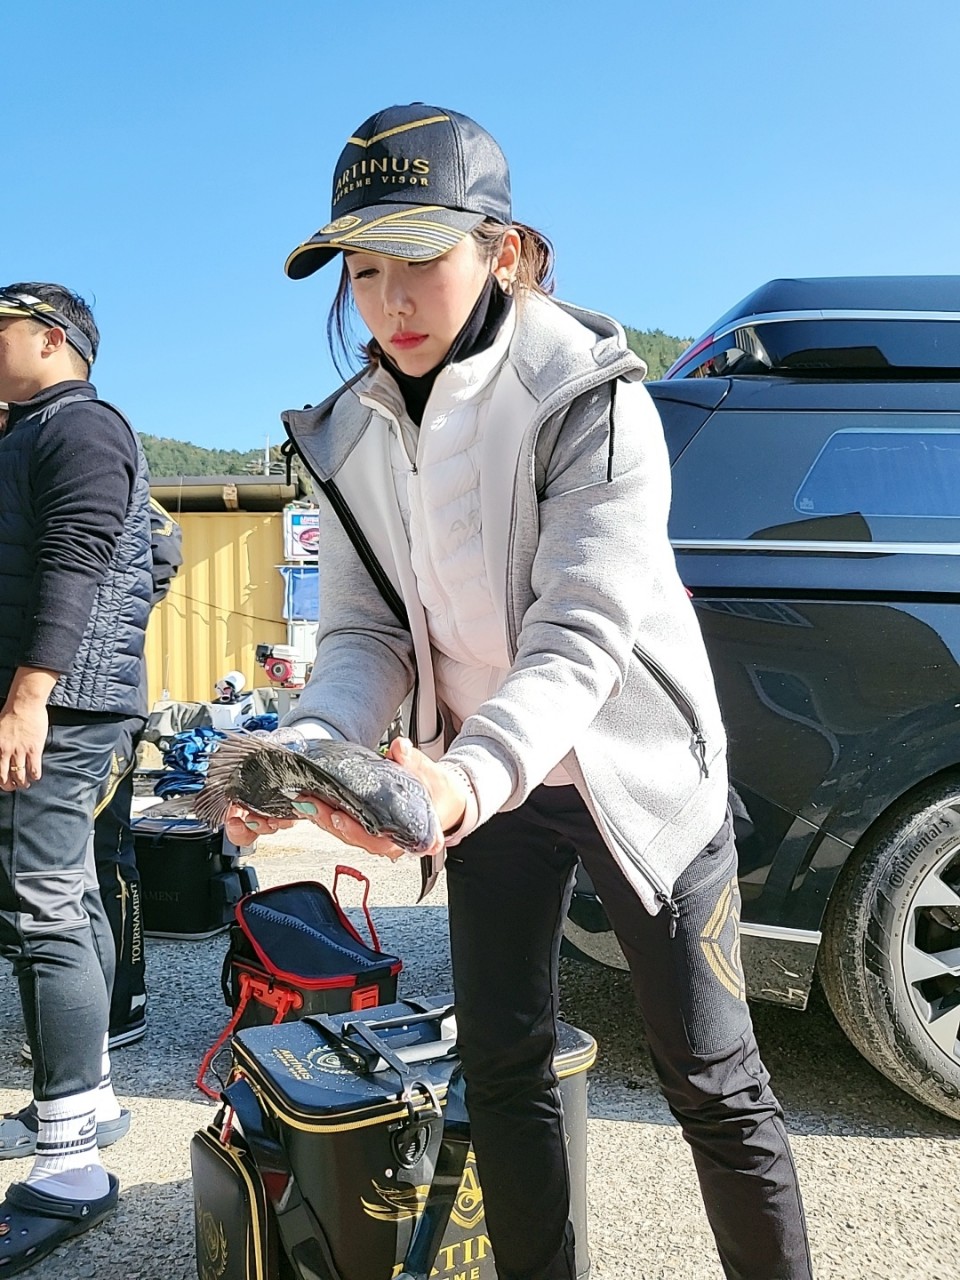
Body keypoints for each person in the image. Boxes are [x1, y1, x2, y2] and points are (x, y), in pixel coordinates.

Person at [227, 104, 812, 1280]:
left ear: (501, 251)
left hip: (633, 774)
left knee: (712, 1074)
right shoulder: (350, 433)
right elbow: (366, 631)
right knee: (501, 1065)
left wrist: (457, 781)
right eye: (364, 269)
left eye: (420, 260)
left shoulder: (592, 397)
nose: (390, 301)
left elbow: (579, 629)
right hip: (478, 784)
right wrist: (310, 748)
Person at [0, 283, 154, 1270]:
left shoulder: (82, 426)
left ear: (52, 339)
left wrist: (33, 692)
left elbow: (74, 558)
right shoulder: (38, 429)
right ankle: (86, 1101)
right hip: (79, 698)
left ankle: (67, 1168)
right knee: (74, 891)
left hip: (58, 704)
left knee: (39, 907)